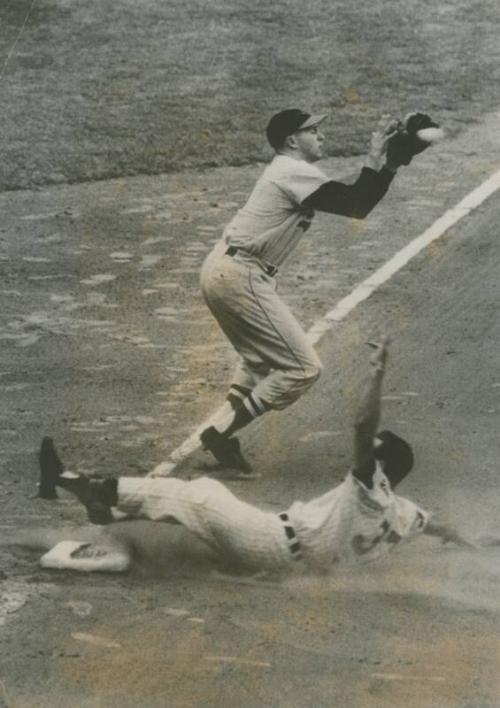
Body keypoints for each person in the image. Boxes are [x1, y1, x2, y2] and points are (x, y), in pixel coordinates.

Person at [38, 339, 470, 574]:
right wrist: (481, 544)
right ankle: (108, 515)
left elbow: (362, 426)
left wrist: (377, 373)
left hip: (270, 546)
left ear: (381, 468)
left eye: (374, 452)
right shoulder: (402, 513)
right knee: (196, 503)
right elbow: (441, 527)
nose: (364, 452)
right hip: (286, 558)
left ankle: (78, 483)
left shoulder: (370, 492)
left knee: (200, 497)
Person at [197, 108, 438, 475]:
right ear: (293, 140)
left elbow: (360, 203)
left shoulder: (292, 172)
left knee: (259, 359)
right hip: (238, 276)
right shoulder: (289, 171)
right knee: (302, 369)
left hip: (228, 272)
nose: (321, 136)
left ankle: (222, 431)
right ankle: (220, 432)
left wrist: (390, 165)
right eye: (314, 130)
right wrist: (377, 155)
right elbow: (355, 203)